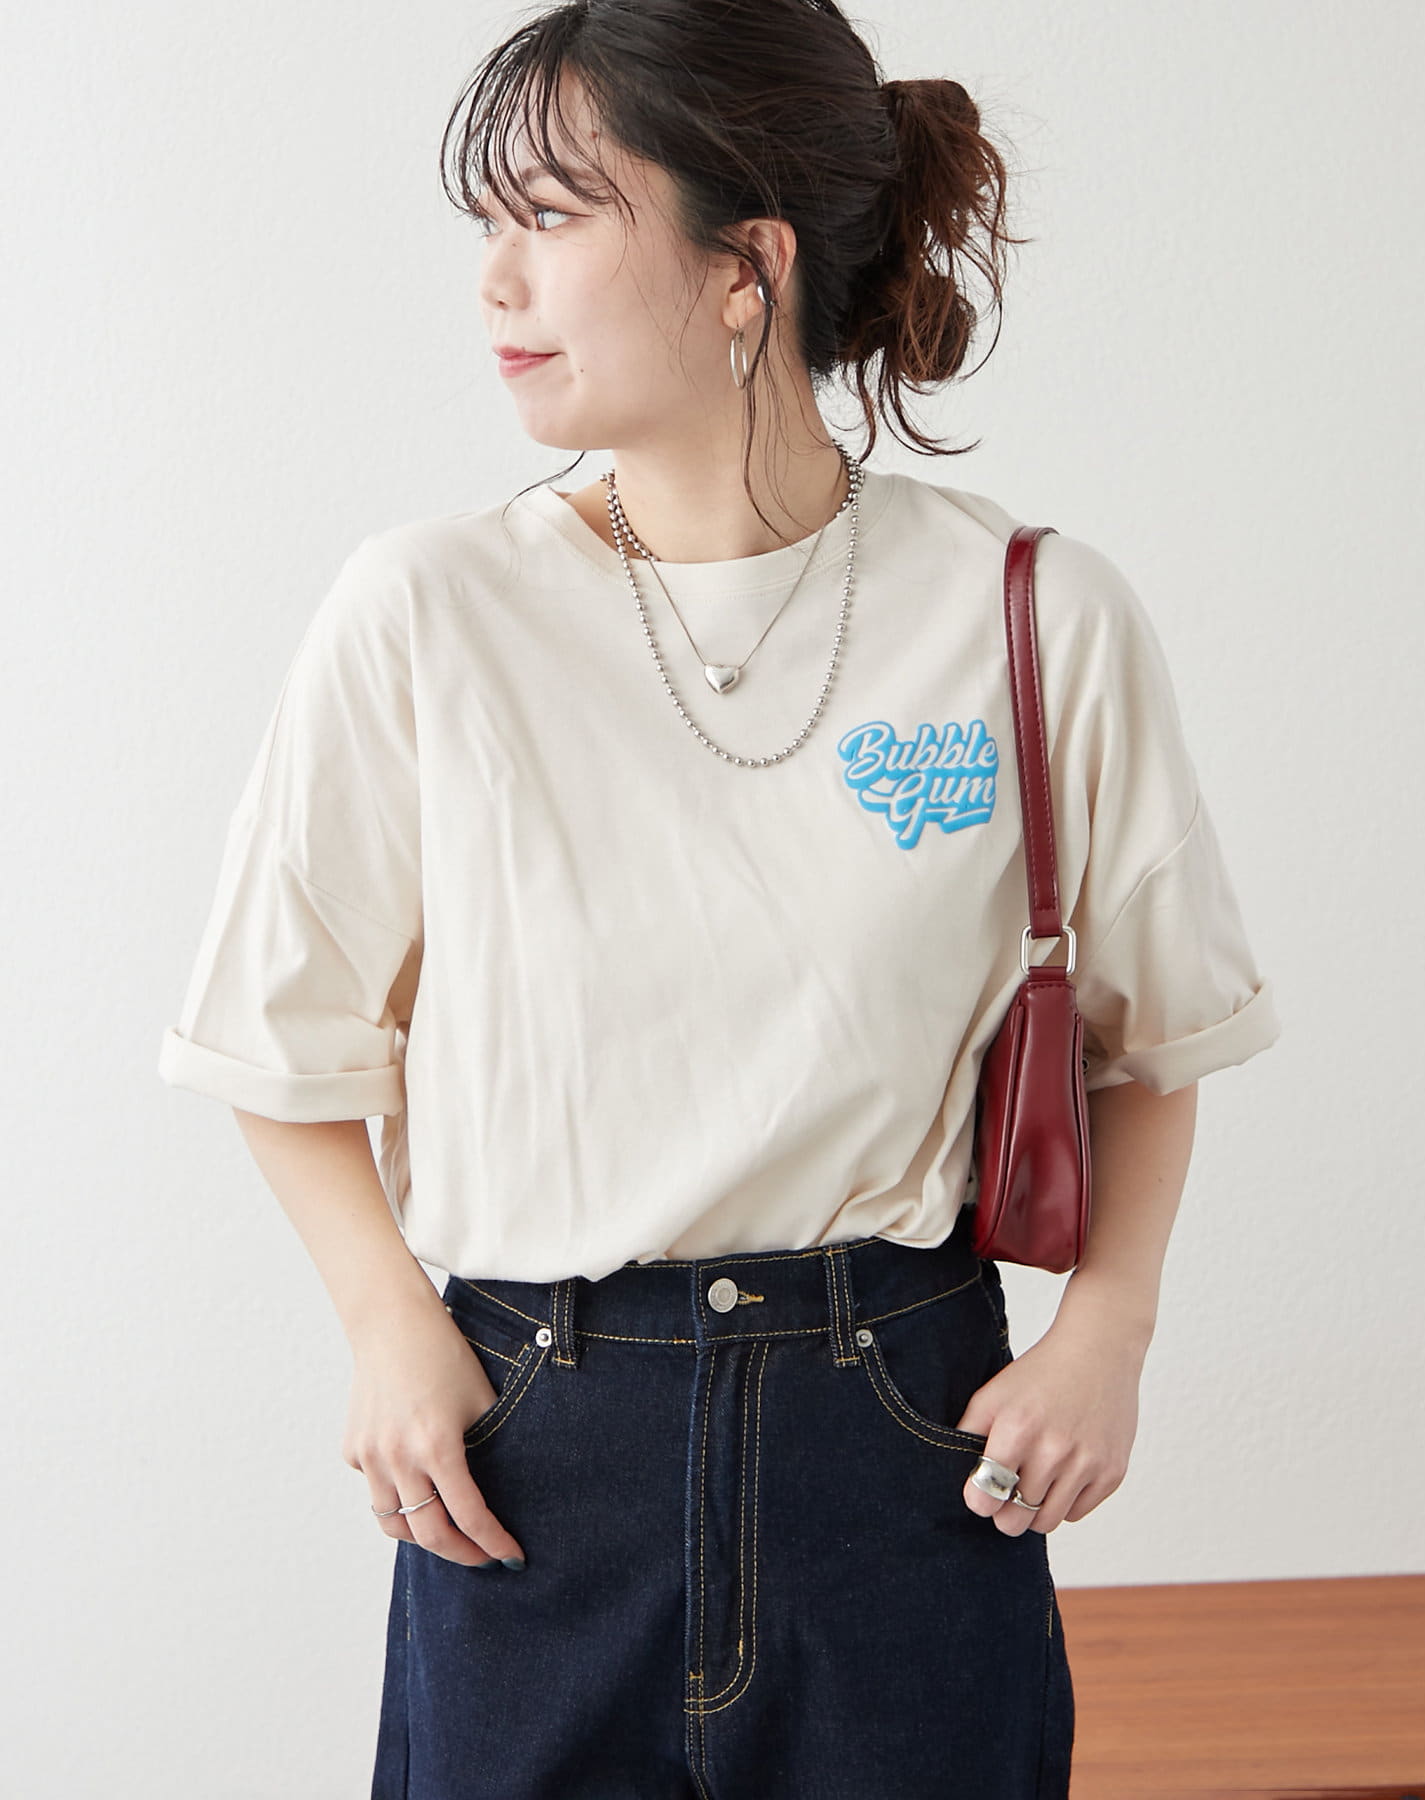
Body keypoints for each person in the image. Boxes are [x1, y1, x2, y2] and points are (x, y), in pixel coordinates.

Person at [156, 1, 1282, 1794]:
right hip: (532, 1448)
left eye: (551, 216)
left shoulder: (1030, 611)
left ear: (745, 265)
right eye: (488, 223)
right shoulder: (426, 614)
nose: (494, 280)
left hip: (902, 1436)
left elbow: (1157, 1034)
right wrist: (386, 1325)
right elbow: (277, 1039)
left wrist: (1110, 1328)